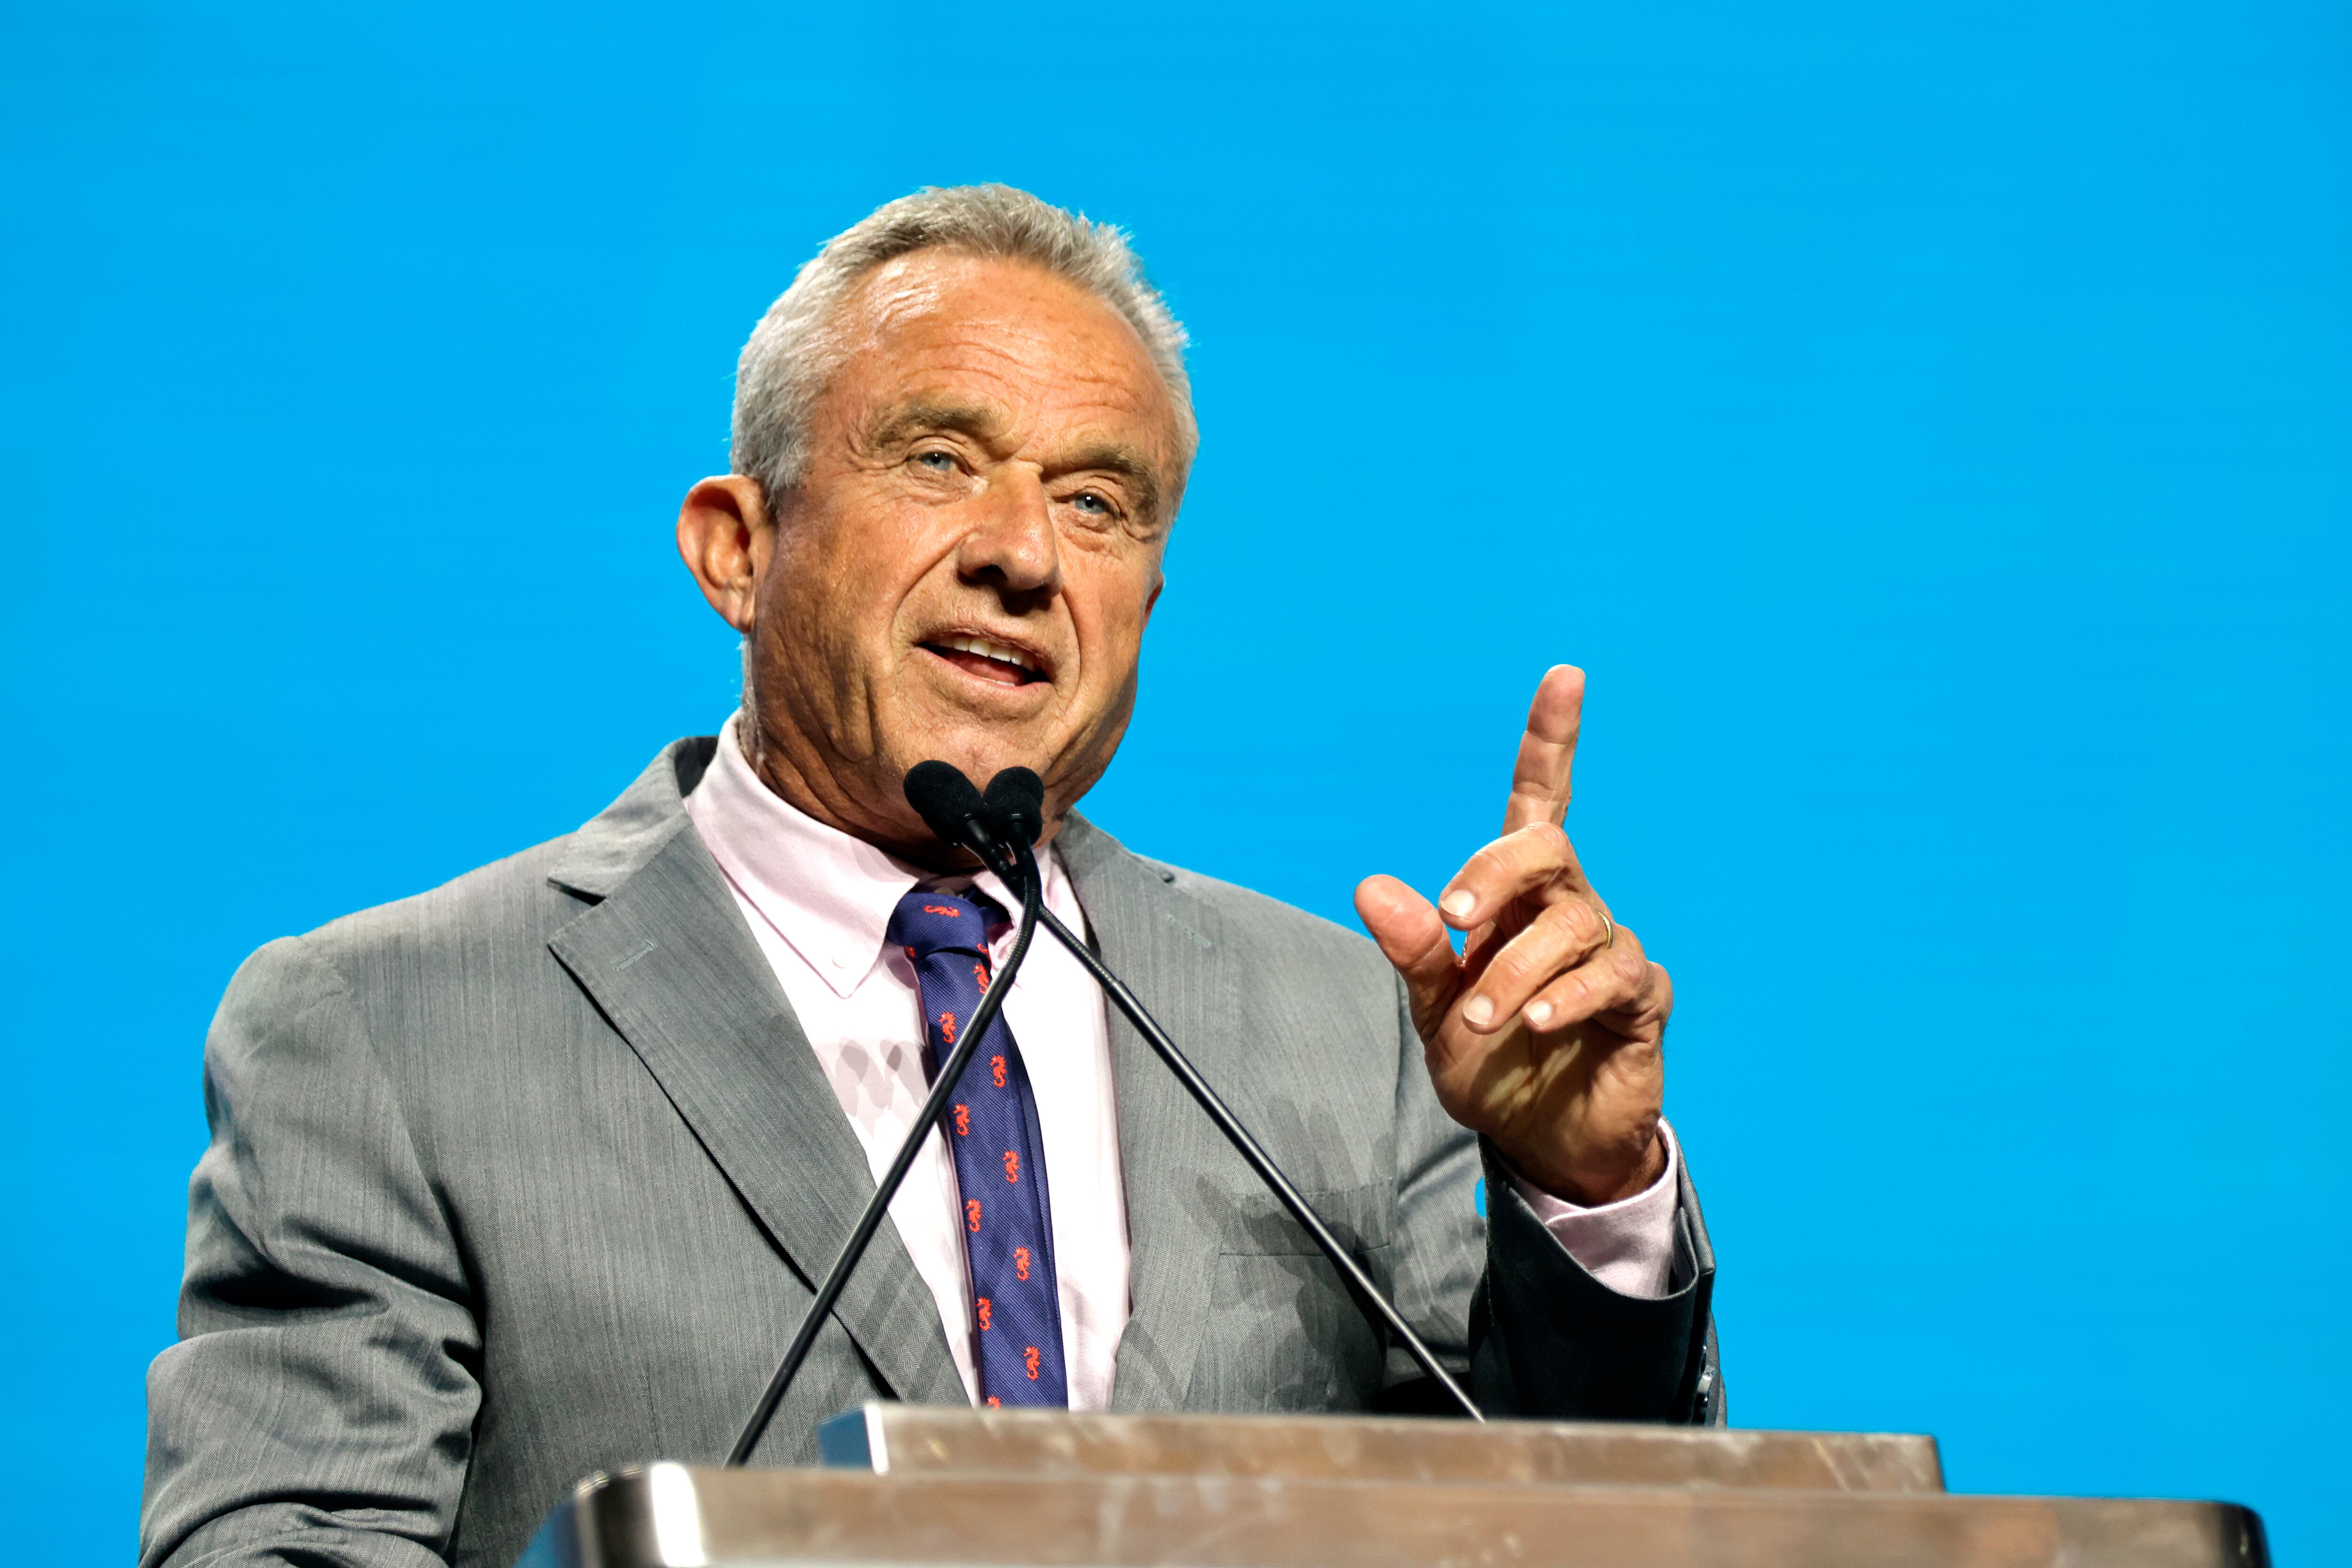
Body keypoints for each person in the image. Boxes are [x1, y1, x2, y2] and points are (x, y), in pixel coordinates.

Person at [140, 185, 1719, 1568]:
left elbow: (1569, 1542)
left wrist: (1585, 1199)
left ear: (1146, 605)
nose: (1023, 554)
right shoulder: (388, 1031)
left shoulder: (1348, 1027)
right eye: (941, 459)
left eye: (1096, 503)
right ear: (738, 547)